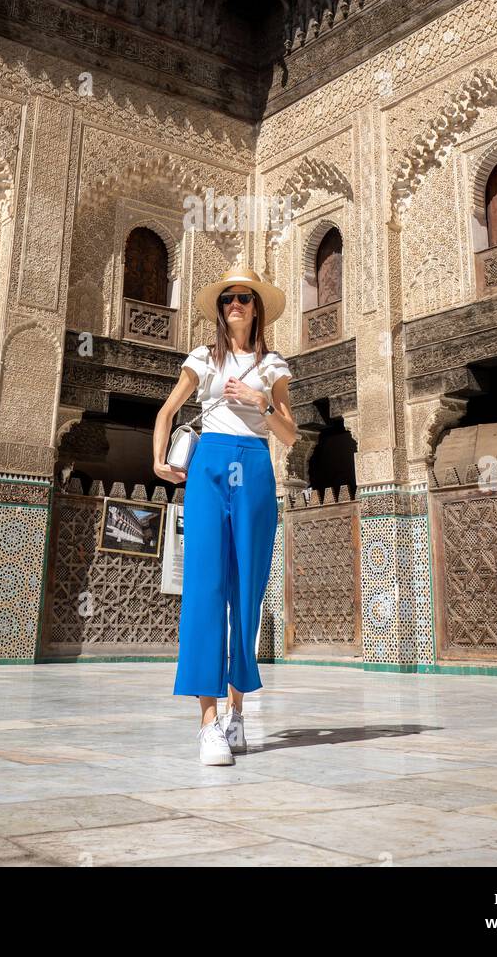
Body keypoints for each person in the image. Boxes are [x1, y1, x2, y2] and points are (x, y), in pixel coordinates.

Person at [153, 267, 297, 765]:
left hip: (255, 465)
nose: (236, 304)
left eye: (244, 297)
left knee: (247, 593)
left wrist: (262, 402)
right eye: (229, 298)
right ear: (222, 308)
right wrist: (158, 460)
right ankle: (208, 723)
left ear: (257, 307)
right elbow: (167, 411)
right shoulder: (203, 358)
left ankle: (237, 713)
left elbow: (291, 435)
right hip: (210, 465)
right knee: (206, 588)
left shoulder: (273, 364)